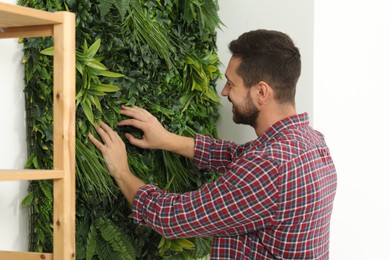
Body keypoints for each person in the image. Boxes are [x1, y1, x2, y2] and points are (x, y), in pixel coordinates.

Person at [88, 29, 337, 259]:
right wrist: (167, 139)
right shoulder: (312, 143)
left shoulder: (269, 167)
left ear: (261, 92)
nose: (225, 92)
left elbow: (172, 218)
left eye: (231, 83)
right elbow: (235, 155)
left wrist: (121, 171)